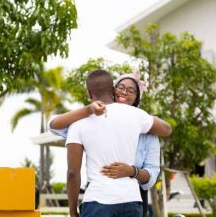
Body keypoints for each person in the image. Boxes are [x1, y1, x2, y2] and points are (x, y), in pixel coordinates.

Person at [50, 70, 171, 217]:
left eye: (131, 90)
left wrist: (72, 211)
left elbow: (73, 173)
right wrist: (144, 118)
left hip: (97, 202)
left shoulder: (78, 123)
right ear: (113, 89)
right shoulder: (136, 115)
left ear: (89, 93)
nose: (125, 92)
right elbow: (167, 129)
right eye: (122, 88)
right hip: (131, 202)